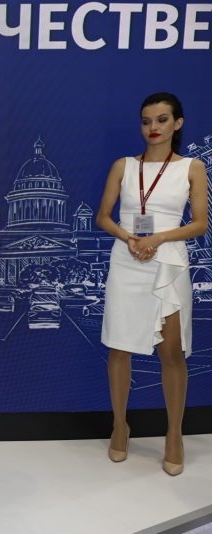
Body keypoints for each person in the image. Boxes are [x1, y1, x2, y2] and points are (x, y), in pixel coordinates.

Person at [97, 92, 208, 476]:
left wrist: (157, 238)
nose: (153, 128)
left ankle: (174, 433)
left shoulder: (192, 167)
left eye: (162, 120)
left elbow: (200, 223)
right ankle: (120, 425)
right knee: (120, 347)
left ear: (177, 123)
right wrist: (129, 237)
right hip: (127, 259)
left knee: (172, 352)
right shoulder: (124, 166)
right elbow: (104, 216)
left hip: (168, 261)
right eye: (146, 121)